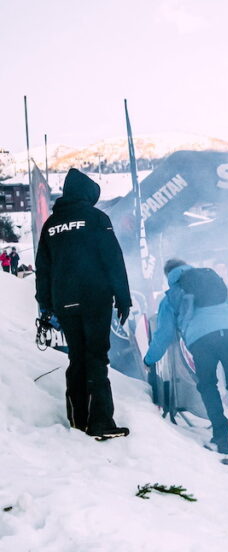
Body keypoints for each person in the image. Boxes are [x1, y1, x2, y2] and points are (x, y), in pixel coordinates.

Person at [34, 168, 131, 439]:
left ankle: (78, 420)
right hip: (94, 298)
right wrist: (123, 297)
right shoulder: (97, 218)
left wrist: (45, 305)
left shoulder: (50, 225)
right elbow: (113, 259)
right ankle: (101, 422)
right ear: (87, 195)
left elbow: (44, 269)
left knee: (76, 358)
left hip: (65, 302)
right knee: (96, 357)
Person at [144, 259, 228, 452]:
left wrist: (149, 360)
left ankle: (221, 434)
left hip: (202, 341)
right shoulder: (212, 282)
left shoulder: (171, 296)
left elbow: (164, 335)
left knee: (207, 386)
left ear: (168, 276)